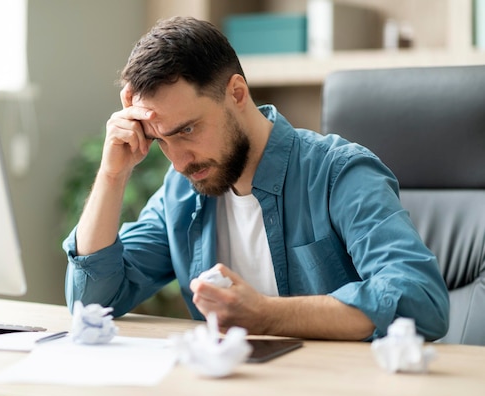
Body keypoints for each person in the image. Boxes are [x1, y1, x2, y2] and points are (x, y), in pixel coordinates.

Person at [63, 16, 449, 341]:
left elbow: (420, 299)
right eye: (160, 139)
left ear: (236, 93)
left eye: (187, 130)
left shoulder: (338, 173)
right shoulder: (181, 190)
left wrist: (266, 314)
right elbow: (91, 302)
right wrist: (113, 174)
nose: (178, 161)